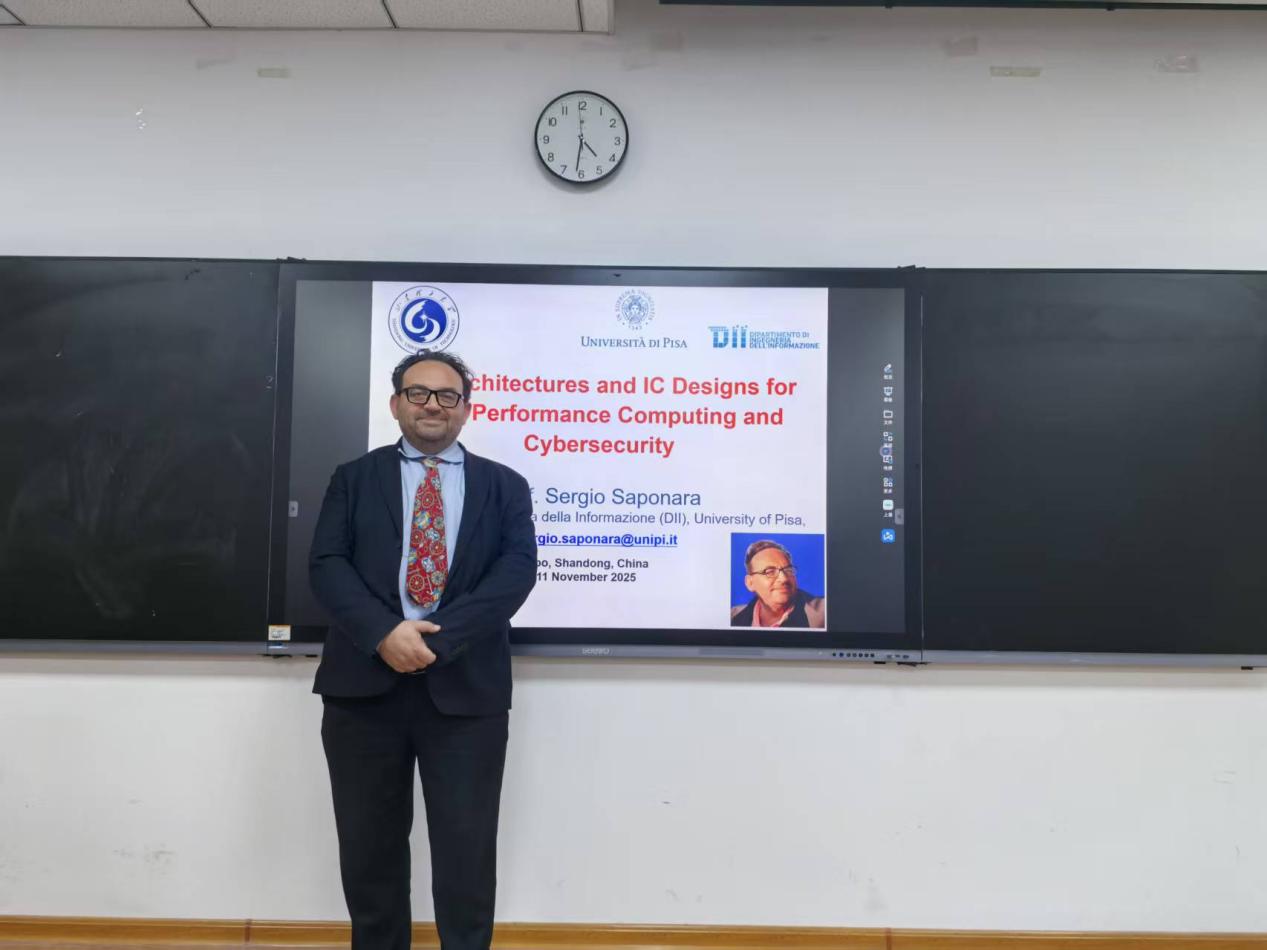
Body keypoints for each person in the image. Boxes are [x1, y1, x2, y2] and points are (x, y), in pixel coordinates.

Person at [309, 349, 536, 950]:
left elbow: (515, 574)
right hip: (363, 691)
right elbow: (327, 565)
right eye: (418, 393)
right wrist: (385, 634)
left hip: (467, 695)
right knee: (370, 851)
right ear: (395, 404)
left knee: (467, 852)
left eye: (447, 395)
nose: (433, 405)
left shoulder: (505, 486)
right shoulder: (352, 479)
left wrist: (438, 639)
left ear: (465, 409)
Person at [730, 539, 825, 628]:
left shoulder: (824, 612)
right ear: (750, 583)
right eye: (770, 572)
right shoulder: (731, 618)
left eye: (788, 570)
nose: (784, 579)